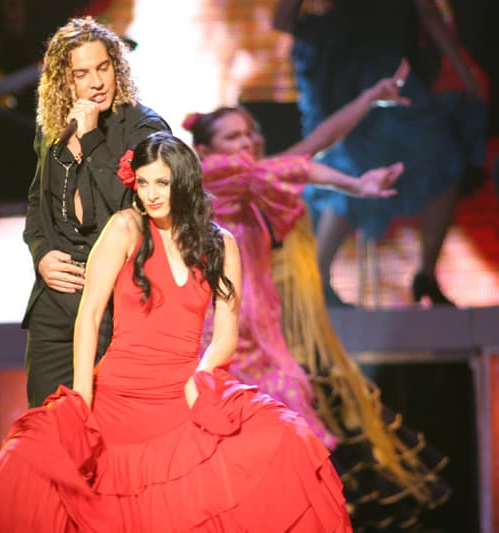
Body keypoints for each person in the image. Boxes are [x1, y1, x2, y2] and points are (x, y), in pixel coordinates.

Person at [0, 131, 351, 531]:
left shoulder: (220, 244)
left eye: (161, 182)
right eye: (143, 182)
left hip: (183, 393)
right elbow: (90, 315)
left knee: (287, 441)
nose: (151, 193)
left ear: (182, 181)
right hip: (119, 396)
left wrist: (201, 374)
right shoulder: (126, 228)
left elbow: (226, 333)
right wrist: (81, 398)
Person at [185, 72, 450, 528]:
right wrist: (353, 185)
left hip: (264, 340)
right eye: (232, 136)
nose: (247, 142)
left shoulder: (258, 180)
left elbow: (313, 148)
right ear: (205, 152)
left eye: (251, 133)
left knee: (294, 451)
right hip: (217, 343)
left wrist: (368, 96)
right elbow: (301, 165)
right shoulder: (207, 180)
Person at [273, 0, 485, 306]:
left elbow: (428, 13)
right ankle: (316, 276)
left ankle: (425, 274)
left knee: (443, 157)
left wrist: (465, 72)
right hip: (342, 69)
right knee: (350, 163)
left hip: (387, 68)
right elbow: (283, 21)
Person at [22, 17, 169, 406]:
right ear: (65, 81)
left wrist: (89, 137)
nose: (96, 82)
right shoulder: (52, 128)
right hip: (54, 307)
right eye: (82, 74)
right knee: (48, 431)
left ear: (116, 67)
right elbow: (39, 203)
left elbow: (130, 209)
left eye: (103, 68)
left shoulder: (144, 129)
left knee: (105, 434)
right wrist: (41, 255)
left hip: (113, 306)